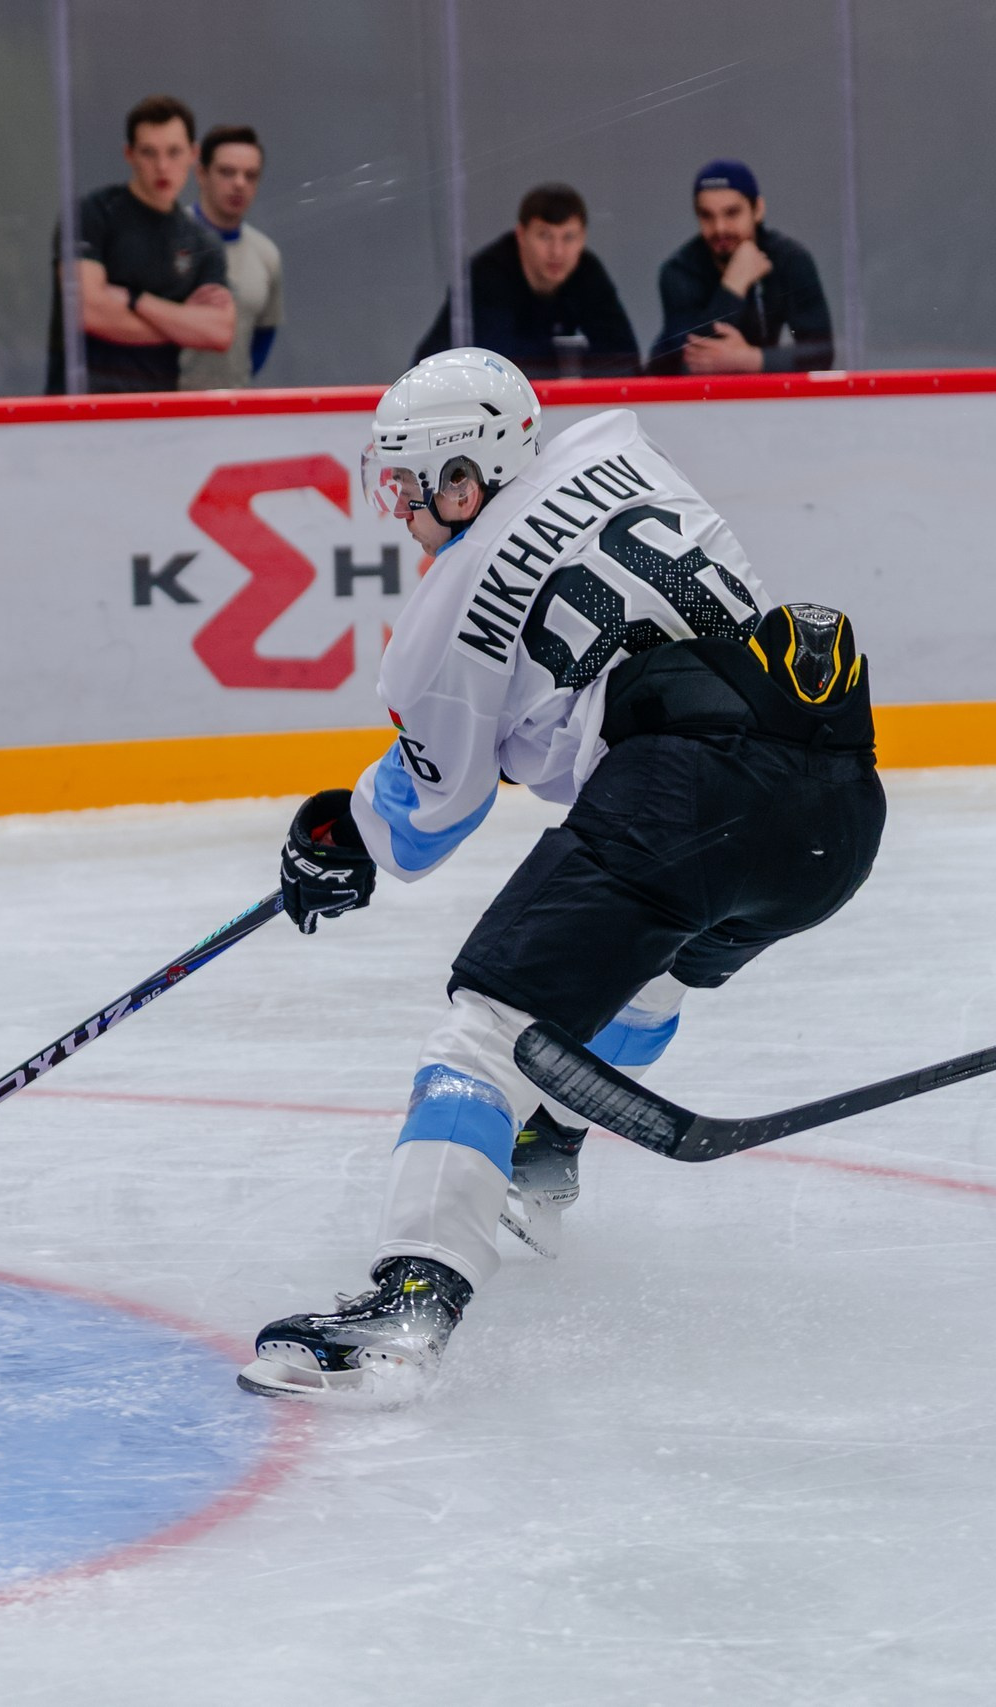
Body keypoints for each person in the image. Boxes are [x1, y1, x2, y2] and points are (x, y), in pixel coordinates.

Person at [238, 348, 884, 1399]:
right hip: (837, 808)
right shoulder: (625, 455)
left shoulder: (442, 615)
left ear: (462, 477)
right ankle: (544, 1157)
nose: (398, 510)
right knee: (651, 962)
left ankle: (409, 1310)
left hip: (684, 797)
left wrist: (341, 834)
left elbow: (428, 818)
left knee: (484, 1028)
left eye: (406, 485)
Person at [47, 94, 235, 395]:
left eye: (174, 152)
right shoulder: (91, 214)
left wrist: (134, 300)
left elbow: (219, 331)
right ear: (129, 154)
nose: (162, 166)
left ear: (193, 154)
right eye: (149, 153)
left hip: (157, 417)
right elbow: (87, 311)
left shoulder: (202, 243)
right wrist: (181, 325)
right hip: (81, 413)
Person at [414, 185, 639, 380]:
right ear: (521, 235)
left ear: (582, 238)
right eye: (544, 236)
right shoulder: (487, 276)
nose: (557, 252)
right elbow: (502, 365)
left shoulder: (588, 273)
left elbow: (624, 357)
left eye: (568, 237)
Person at [648, 160, 835, 376]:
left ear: (758, 210)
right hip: (695, 405)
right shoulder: (679, 270)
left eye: (732, 213)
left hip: (768, 401)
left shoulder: (788, 259)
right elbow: (690, 360)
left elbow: (822, 353)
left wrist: (749, 360)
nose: (720, 228)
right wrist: (733, 286)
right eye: (707, 215)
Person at [179, 124, 285, 391]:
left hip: (235, 411)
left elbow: (264, 334)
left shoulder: (266, 254)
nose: (239, 183)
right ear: (202, 174)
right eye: (227, 172)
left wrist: (235, 384)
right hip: (169, 406)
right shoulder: (165, 239)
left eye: (250, 175)